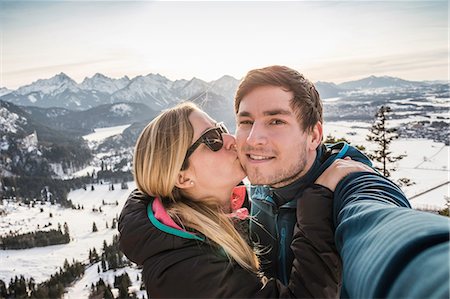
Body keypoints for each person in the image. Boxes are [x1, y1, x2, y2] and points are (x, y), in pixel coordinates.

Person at [234, 65, 450, 298]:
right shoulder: (261, 183)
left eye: (276, 121)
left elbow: (378, 220)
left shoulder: (348, 183)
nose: (253, 138)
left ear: (314, 136)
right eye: (246, 122)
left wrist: (429, 271)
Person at [118, 102, 359, 298]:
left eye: (221, 128)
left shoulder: (225, 213)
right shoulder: (187, 271)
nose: (231, 139)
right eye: (212, 139)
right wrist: (320, 196)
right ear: (181, 177)